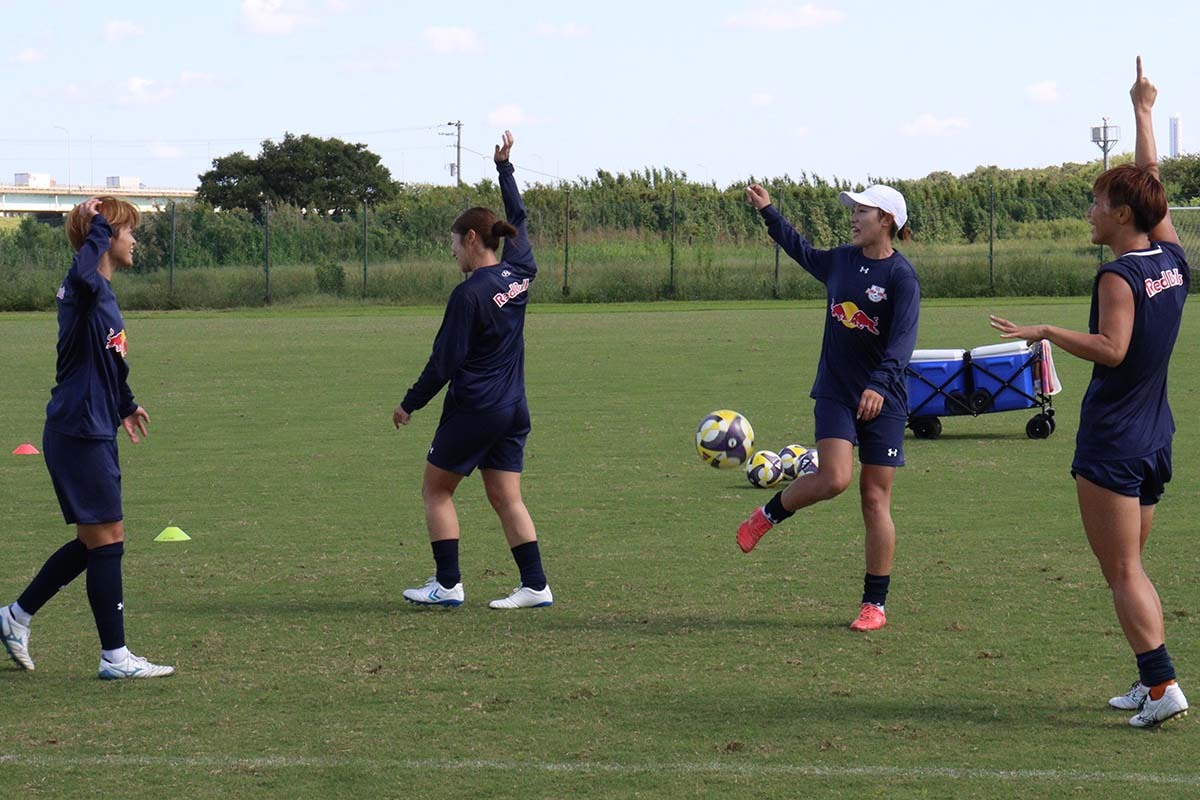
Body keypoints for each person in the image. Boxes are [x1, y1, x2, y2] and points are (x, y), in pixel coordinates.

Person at [989, 58, 1188, 728]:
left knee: (1123, 571)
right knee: (1130, 568)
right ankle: (1148, 676)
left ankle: (1162, 690)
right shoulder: (1170, 257)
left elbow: (1113, 350)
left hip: (1113, 441)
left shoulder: (1115, 276)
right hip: (1155, 435)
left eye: (1098, 203)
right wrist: (1142, 110)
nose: (1090, 210)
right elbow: (1153, 182)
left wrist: (1046, 329)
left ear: (1121, 214)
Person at [0, 197, 174, 679]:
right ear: (105, 236)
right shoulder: (85, 288)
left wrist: (125, 404)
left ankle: (15, 617)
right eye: (127, 230)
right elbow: (82, 275)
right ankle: (115, 658)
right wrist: (97, 225)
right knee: (108, 537)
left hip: (92, 425)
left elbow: (109, 361)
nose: (134, 239)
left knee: (96, 539)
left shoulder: (103, 294)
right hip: (78, 430)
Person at [737, 181, 920, 632]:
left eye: (863, 211)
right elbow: (799, 248)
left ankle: (874, 605)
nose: (854, 218)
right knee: (835, 478)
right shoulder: (839, 261)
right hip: (837, 391)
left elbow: (902, 344)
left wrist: (879, 385)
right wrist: (768, 212)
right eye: (853, 210)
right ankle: (769, 514)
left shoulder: (901, 277)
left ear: (887, 221)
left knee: (875, 499)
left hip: (885, 399)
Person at [393, 131, 552, 610]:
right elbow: (518, 222)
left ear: (470, 239)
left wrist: (409, 403)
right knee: (507, 497)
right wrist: (504, 169)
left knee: (436, 490)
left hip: (476, 409)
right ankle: (535, 586)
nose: (452, 254)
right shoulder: (518, 273)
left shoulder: (469, 294)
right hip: (512, 407)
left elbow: (444, 361)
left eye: (454, 245)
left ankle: (447, 585)